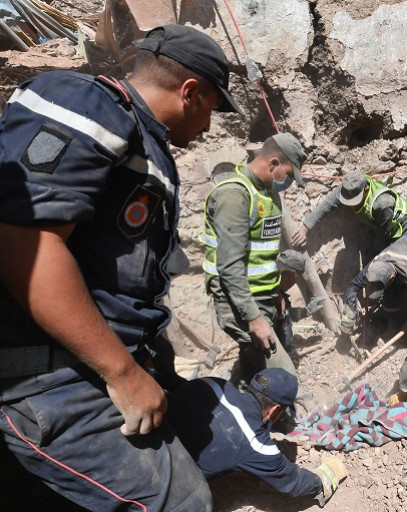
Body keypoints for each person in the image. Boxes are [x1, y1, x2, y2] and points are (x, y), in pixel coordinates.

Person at [0, 24, 240, 511]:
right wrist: (123, 373)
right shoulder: (88, 104)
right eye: (213, 109)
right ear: (190, 92)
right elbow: (26, 239)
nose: (209, 127)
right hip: (54, 376)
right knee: (182, 502)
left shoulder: (141, 141)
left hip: (85, 363)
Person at [200, 132, 307, 387]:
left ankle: (244, 394)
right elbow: (230, 267)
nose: (289, 183)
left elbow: (263, 256)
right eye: (288, 175)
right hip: (238, 300)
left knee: (254, 366)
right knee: (284, 380)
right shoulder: (234, 195)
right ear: (273, 163)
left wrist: (275, 292)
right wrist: (254, 319)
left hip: (261, 295)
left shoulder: (269, 195)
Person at [166, 368, 347, 507]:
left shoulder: (212, 383)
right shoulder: (253, 443)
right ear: (275, 410)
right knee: (199, 500)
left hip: (152, 446)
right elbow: (293, 482)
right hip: (163, 485)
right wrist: (325, 477)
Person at [291, 170, 407, 248]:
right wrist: (304, 228)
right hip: (386, 228)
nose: (350, 204)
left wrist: (374, 258)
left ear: (366, 189)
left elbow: (383, 237)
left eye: (355, 200)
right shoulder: (349, 187)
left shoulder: (382, 204)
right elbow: (326, 205)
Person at [341, 228, 407, 335]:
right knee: (390, 302)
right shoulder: (374, 265)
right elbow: (354, 286)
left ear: (391, 279)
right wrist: (348, 314)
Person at [275, 249, 326, 355]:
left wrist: (305, 312)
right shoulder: (272, 297)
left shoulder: (279, 294)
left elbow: (285, 315)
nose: (296, 282)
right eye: (298, 277)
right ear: (292, 275)